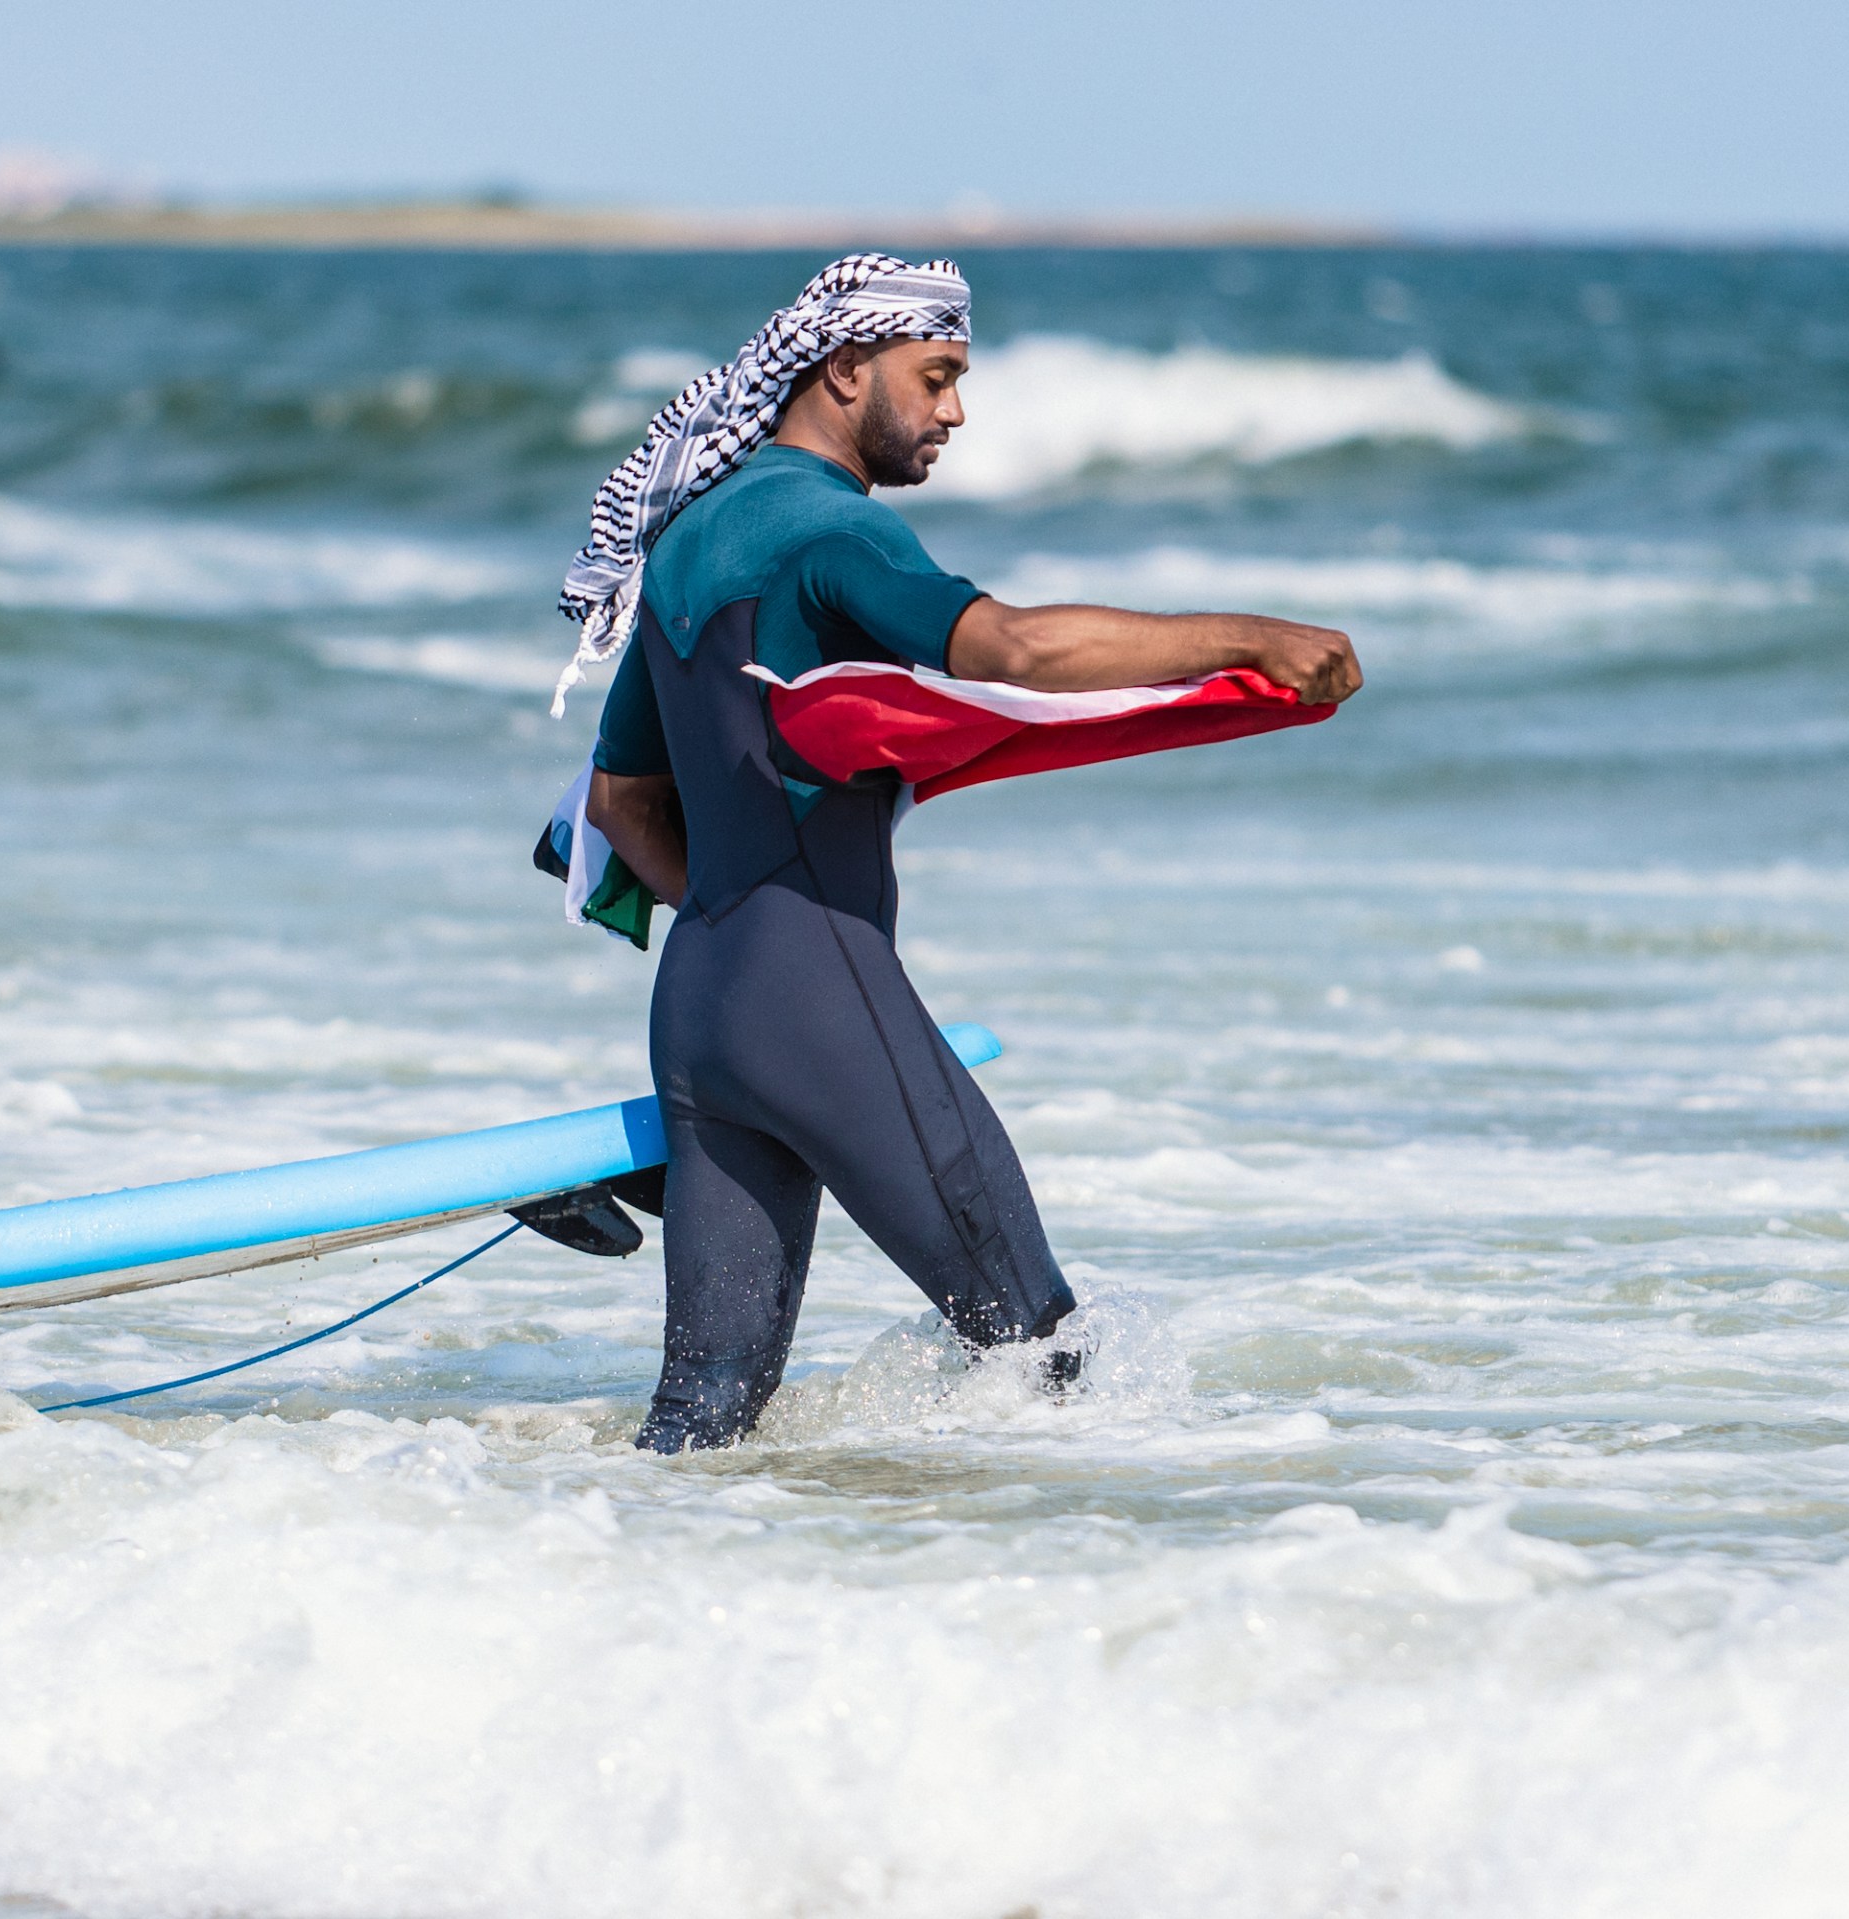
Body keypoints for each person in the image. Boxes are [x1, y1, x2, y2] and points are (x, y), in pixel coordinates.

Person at [557, 254, 1361, 1453]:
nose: (954, 412)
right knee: (1049, 1354)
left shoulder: (683, 547)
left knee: (701, 1423)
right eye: (934, 378)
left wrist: (746, 925)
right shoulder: (830, 533)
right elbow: (1018, 649)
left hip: (702, 1006)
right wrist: (1248, 636)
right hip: (817, 992)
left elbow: (621, 802)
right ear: (844, 369)